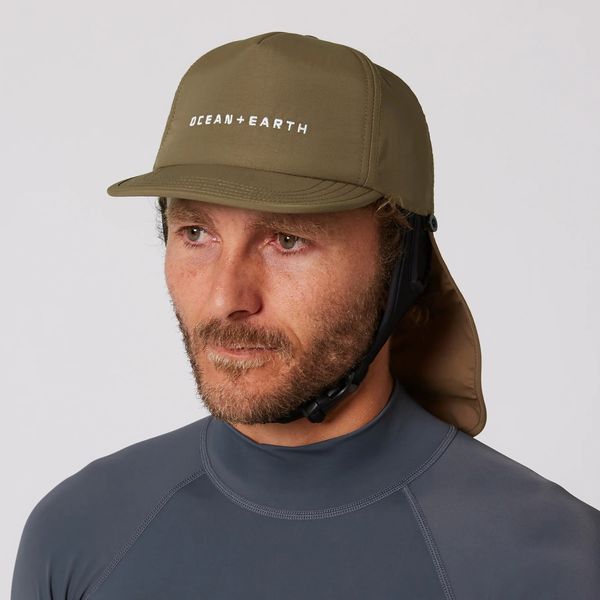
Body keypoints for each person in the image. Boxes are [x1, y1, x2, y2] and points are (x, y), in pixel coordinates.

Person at [11, 31, 600, 600]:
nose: (224, 299)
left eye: (287, 240)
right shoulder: (77, 534)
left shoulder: (554, 562)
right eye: (195, 233)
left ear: (404, 260)